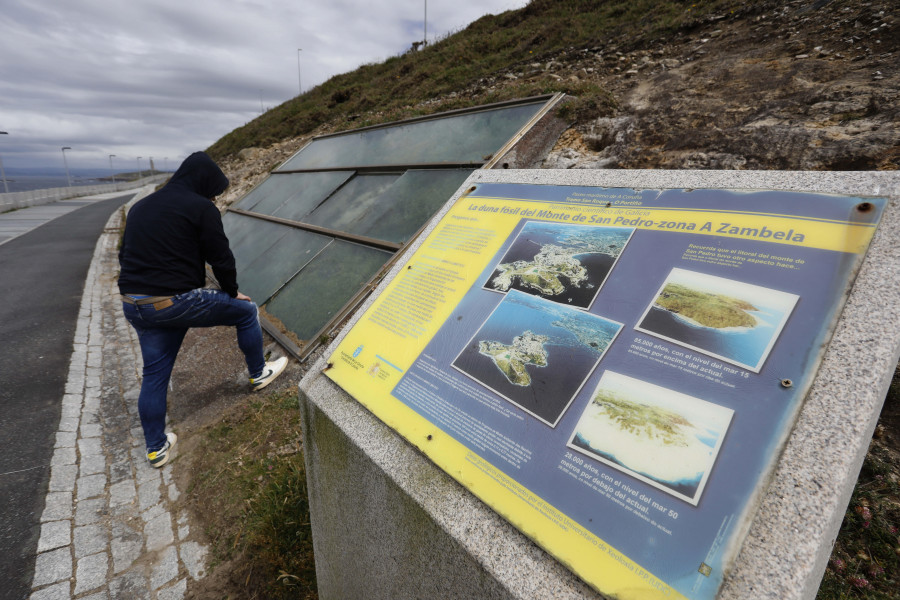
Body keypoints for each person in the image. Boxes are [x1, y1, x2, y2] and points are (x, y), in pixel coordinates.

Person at [118, 151, 287, 468]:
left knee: (154, 374)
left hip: (134, 303)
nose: (214, 197)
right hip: (173, 302)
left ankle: (156, 448)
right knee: (245, 312)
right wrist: (233, 293)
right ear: (203, 184)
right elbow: (221, 257)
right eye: (213, 191)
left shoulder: (142, 207)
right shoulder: (200, 208)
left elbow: (125, 256)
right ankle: (258, 373)